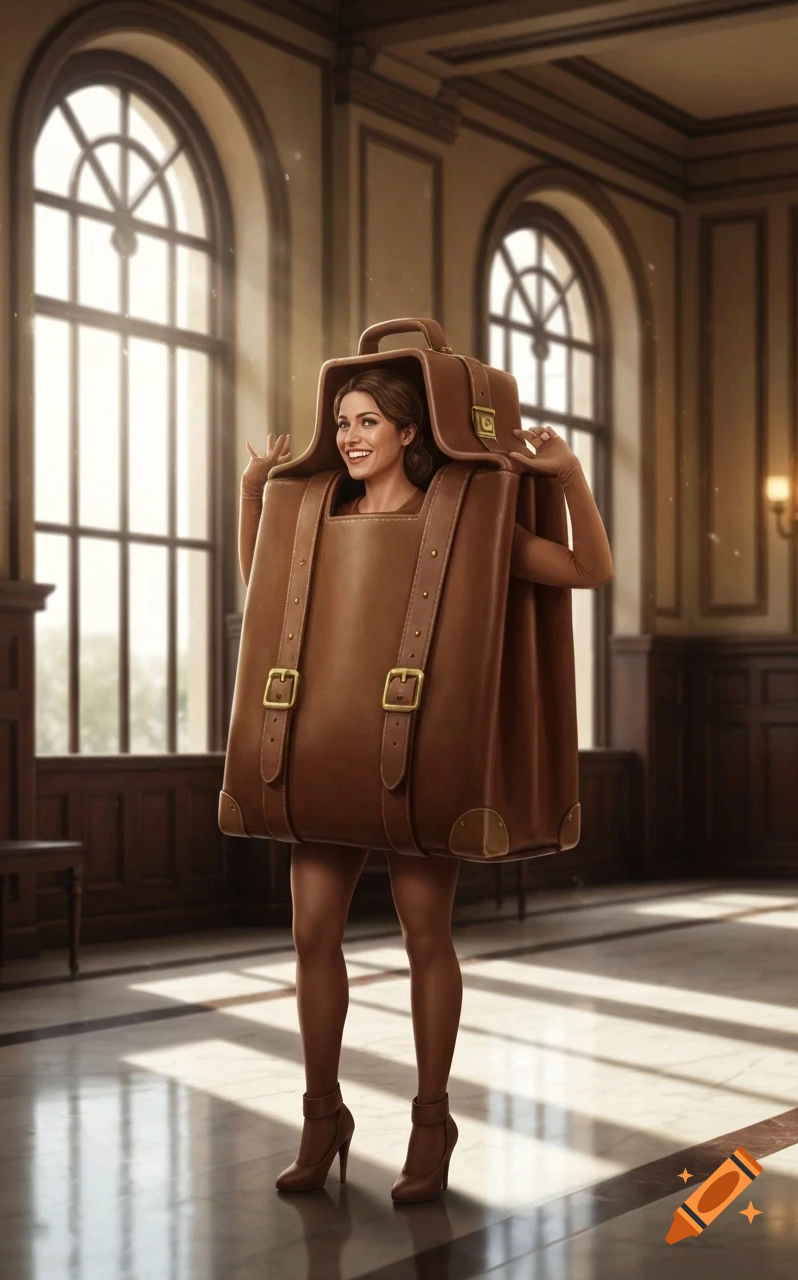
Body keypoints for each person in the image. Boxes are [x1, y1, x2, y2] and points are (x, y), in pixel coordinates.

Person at [238, 367, 613, 1202]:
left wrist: (568, 475)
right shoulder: (316, 510)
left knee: (423, 939)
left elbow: (588, 568)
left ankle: (431, 1121)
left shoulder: (469, 515)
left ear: (410, 432)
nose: (349, 437)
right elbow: (264, 596)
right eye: (341, 422)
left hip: (416, 760)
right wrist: (253, 492)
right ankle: (322, 1115)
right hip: (325, 749)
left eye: (369, 421)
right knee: (310, 938)